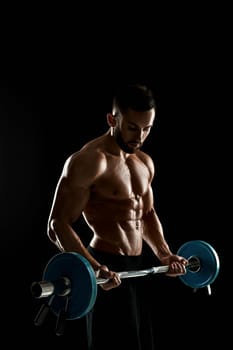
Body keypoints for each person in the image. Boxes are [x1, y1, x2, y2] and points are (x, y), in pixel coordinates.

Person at [47, 83, 188, 349]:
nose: (140, 136)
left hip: (139, 268)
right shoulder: (90, 160)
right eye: (133, 127)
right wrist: (92, 268)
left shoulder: (144, 162)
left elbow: (146, 213)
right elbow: (57, 226)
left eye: (147, 128)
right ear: (113, 119)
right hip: (105, 267)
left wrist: (165, 254)